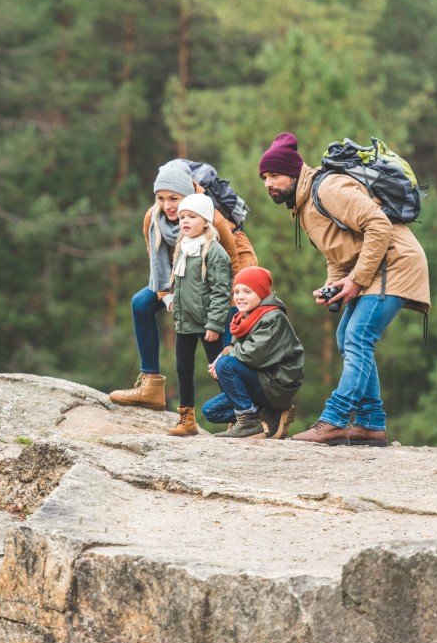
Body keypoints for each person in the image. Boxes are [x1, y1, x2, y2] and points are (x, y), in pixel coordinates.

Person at [258, 132, 430, 446]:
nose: (269, 183)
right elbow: (338, 251)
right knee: (345, 337)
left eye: (275, 175)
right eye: (265, 177)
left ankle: (335, 419)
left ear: (295, 173)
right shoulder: (305, 205)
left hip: (396, 263)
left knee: (358, 336)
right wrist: (333, 284)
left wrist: (356, 280)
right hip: (376, 268)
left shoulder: (329, 188)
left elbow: (378, 225)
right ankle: (370, 423)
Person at [110, 160, 258, 413]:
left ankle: (243, 408)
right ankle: (151, 385)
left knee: (222, 336)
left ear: (187, 195)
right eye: (160, 198)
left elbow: (232, 264)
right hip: (184, 275)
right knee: (141, 304)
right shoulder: (153, 217)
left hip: (227, 276)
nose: (167, 205)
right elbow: (156, 266)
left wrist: (227, 308)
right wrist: (167, 297)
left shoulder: (214, 218)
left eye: (174, 198)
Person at [201, 266, 304, 439]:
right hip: (260, 380)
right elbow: (235, 349)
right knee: (210, 411)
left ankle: (249, 422)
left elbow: (252, 354)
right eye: (236, 291)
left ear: (261, 292)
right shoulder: (244, 317)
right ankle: (266, 414)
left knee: (226, 365)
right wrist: (224, 356)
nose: (240, 296)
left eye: (247, 291)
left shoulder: (273, 317)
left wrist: (223, 359)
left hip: (277, 383)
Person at [163, 194, 233, 437]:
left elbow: (221, 291)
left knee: (220, 370)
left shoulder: (214, 252)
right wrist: (174, 301)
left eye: (191, 216)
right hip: (185, 323)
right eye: (182, 217)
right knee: (183, 369)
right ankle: (187, 419)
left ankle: (239, 416)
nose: (185, 221)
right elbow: (181, 284)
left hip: (207, 325)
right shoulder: (182, 248)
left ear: (205, 221)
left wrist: (214, 324)